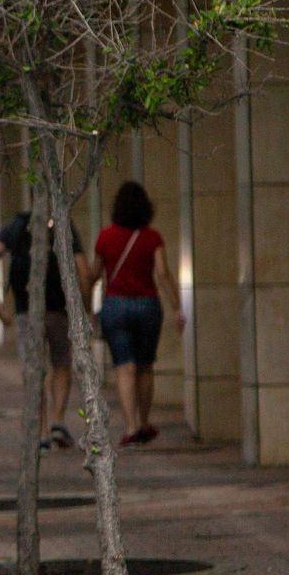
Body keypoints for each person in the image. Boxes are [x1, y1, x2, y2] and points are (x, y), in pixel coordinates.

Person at [0, 209, 92, 451]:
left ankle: (40, 432)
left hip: (26, 312)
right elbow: (83, 271)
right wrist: (85, 309)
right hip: (57, 310)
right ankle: (58, 421)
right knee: (62, 363)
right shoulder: (63, 224)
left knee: (34, 370)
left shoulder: (16, 226)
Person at [93, 181, 185, 446]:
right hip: (147, 305)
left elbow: (95, 273)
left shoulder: (105, 236)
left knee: (125, 367)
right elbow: (163, 272)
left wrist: (87, 304)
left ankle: (131, 426)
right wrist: (177, 306)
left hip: (116, 304)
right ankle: (144, 421)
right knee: (145, 366)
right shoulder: (152, 237)